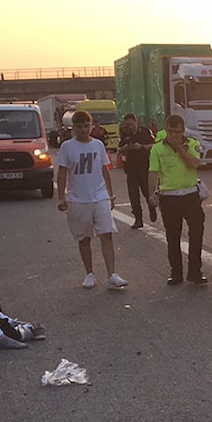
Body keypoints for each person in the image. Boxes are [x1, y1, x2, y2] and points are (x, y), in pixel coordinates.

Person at [55, 110, 128, 289]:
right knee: (84, 238)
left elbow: (104, 170)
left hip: (99, 196)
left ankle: (112, 274)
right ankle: (89, 273)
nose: (83, 130)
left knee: (106, 234)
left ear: (91, 126)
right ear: (73, 128)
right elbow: (62, 172)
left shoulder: (98, 145)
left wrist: (110, 195)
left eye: (86, 126)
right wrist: (61, 197)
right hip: (78, 199)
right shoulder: (67, 147)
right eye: (79, 126)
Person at [148, 114, 205, 285]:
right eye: (170, 131)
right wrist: (151, 194)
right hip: (169, 197)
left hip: (190, 196)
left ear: (183, 131)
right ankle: (176, 273)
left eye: (177, 132)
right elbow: (153, 173)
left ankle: (195, 271)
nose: (173, 135)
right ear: (166, 130)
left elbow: (194, 164)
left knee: (196, 233)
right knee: (173, 237)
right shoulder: (157, 148)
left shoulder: (192, 144)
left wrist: (180, 148)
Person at [118, 113, 156, 228]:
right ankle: (138, 219)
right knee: (133, 196)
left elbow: (154, 145)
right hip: (131, 168)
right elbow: (119, 149)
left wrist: (142, 147)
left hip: (144, 167)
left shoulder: (145, 131)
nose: (130, 127)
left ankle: (152, 208)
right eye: (127, 125)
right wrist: (126, 148)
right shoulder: (125, 133)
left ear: (136, 122)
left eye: (131, 124)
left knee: (147, 192)